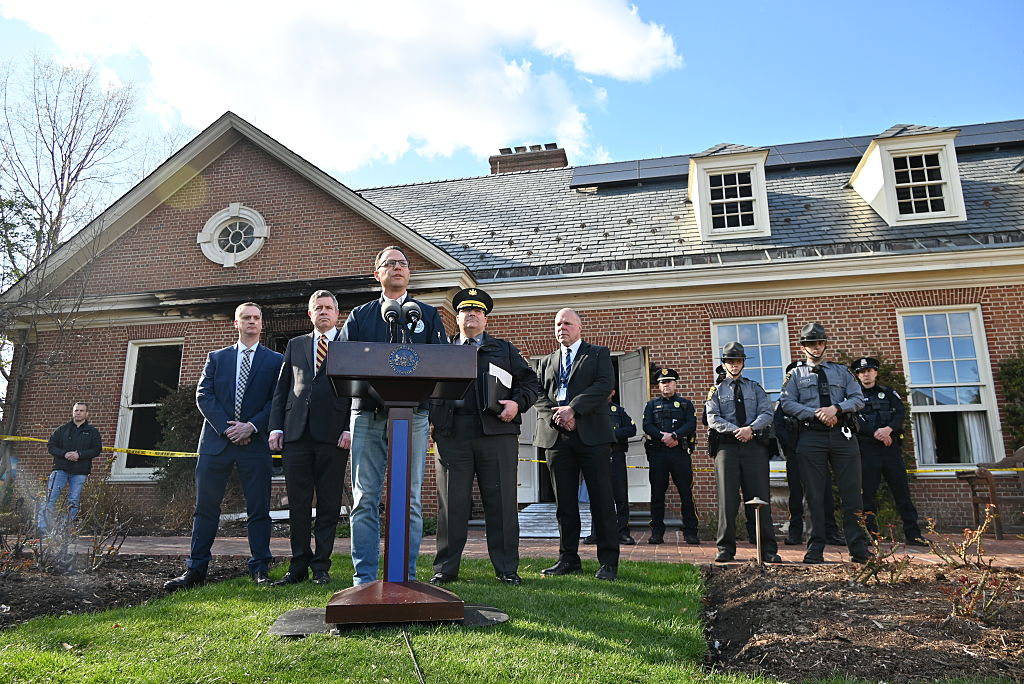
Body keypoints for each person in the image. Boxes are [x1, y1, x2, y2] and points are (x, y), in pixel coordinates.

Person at [338, 246, 446, 585]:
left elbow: (444, 365)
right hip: (367, 417)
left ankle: (405, 577)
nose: (397, 268)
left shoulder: (427, 315)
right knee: (364, 498)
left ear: (409, 273)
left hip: (412, 418)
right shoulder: (361, 316)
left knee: (409, 499)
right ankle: (365, 579)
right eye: (390, 263)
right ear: (377, 274)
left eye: (403, 263)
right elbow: (342, 362)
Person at [165, 302, 284, 590]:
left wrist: (251, 426)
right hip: (216, 443)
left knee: (258, 509)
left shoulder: (275, 361)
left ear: (262, 324)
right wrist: (228, 428)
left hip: (254, 443)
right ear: (236, 323)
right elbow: (204, 395)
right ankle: (195, 569)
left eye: (256, 318)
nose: (251, 322)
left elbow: (277, 400)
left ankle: (260, 568)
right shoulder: (217, 358)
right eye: (246, 317)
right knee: (205, 508)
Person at [429, 288, 540, 586]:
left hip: (497, 434)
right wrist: (432, 419)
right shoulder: (441, 349)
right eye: (466, 310)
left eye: (477, 311)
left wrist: (517, 403)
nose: (472, 315)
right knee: (451, 505)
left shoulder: (504, 350)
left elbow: (531, 383)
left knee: (502, 503)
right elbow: (425, 388)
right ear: (457, 318)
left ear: (486, 319)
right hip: (452, 434)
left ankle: (506, 569)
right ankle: (445, 569)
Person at [268, 290, 353, 586]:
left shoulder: (348, 345)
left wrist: (349, 427)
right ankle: (298, 566)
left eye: (329, 308)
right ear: (310, 314)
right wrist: (276, 428)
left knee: (329, 504)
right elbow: (282, 389)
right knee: (299, 504)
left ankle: (321, 567)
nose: (324, 312)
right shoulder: (296, 344)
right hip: (296, 434)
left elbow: (356, 390)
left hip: (334, 435)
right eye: (318, 308)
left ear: (337, 313)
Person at [534, 308, 619, 581]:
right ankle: (568, 558)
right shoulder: (546, 361)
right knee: (565, 504)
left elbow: (604, 384)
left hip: (592, 436)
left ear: (580, 327)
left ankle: (608, 562)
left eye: (568, 323)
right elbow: (538, 393)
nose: (562, 328)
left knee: (601, 500)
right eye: (558, 324)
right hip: (557, 438)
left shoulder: (598, 354)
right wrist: (558, 416)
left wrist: (573, 409)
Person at [780, 323, 870, 564]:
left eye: (820, 343)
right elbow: (787, 403)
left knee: (852, 493)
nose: (816, 347)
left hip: (842, 434)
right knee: (813, 495)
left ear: (825, 344)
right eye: (811, 344)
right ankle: (815, 549)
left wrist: (836, 408)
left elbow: (858, 398)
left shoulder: (842, 372)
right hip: (811, 436)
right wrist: (817, 413)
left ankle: (858, 548)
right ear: (803, 347)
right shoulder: (795, 375)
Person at [705, 343, 781, 563]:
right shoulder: (716, 390)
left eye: (738, 361)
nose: (734, 365)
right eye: (730, 361)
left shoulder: (755, 388)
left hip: (754, 446)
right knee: (727, 500)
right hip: (727, 447)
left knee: (760, 497)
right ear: (724, 364)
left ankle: (767, 548)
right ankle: (725, 548)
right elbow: (712, 418)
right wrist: (736, 431)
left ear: (743, 363)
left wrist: (751, 429)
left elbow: (767, 412)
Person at [851, 356, 928, 546]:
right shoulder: (854, 396)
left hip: (890, 449)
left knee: (902, 493)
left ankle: (913, 534)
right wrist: (877, 433)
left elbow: (900, 413)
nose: (866, 374)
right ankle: (871, 535)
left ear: (875, 372)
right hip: (868, 451)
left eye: (869, 371)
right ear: (858, 376)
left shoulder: (889, 393)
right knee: (867, 495)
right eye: (861, 372)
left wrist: (888, 430)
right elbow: (855, 420)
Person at [777, 361, 844, 546]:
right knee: (796, 495)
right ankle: (795, 532)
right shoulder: (785, 403)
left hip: (817, 452)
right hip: (795, 453)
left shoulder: (814, 402)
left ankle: (830, 531)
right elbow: (779, 428)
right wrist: (793, 447)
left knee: (825, 493)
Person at [643, 369, 700, 545]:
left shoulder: (685, 404)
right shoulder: (651, 405)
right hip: (658, 453)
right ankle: (657, 533)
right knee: (657, 494)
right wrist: (663, 437)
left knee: (686, 493)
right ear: (659, 386)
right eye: (662, 382)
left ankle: (690, 532)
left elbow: (691, 424)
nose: (666, 385)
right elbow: (647, 425)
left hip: (679, 453)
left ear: (675, 384)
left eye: (669, 381)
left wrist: (674, 436)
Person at [584, 390, 637, 545]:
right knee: (597, 495)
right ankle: (596, 533)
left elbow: (631, 429)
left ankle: (622, 532)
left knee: (620, 496)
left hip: (616, 456)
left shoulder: (619, 411)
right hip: (597, 457)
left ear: (613, 392)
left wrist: (610, 434)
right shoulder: (590, 409)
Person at [40, 402, 102, 533]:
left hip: (80, 471)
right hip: (60, 469)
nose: (78, 413)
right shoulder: (62, 430)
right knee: (50, 497)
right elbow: (51, 446)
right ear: (73, 412)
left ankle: (66, 529)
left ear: (87, 414)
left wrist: (80, 454)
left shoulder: (92, 432)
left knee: (74, 500)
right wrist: (64, 454)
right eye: (76, 410)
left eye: (81, 410)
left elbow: (97, 449)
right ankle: (41, 528)